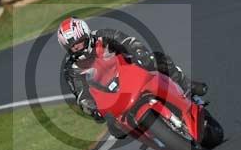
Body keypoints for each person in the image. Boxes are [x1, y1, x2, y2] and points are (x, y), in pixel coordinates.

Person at [58, 17, 208, 138]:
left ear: (87, 35)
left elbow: (129, 42)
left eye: (80, 42)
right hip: (111, 97)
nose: (78, 48)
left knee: (155, 59)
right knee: (115, 130)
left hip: (130, 72)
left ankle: (185, 84)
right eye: (74, 47)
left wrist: (140, 53)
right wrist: (95, 110)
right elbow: (82, 96)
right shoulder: (71, 68)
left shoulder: (103, 36)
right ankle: (152, 134)